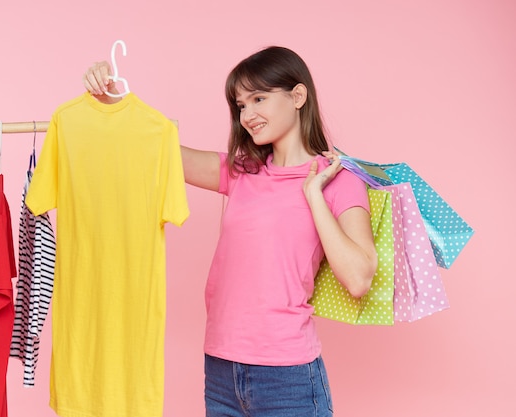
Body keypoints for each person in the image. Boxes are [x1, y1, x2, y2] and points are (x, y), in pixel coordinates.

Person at [83, 46, 378, 417]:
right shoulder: (242, 171)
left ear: (298, 96)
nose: (248, 114)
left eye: (259, 98)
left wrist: (314, 195)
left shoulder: (339, 180)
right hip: (221, 370)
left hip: (287, 378)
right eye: (240, 105)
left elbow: (359, 278)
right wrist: (113, 104)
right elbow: (156, 151)